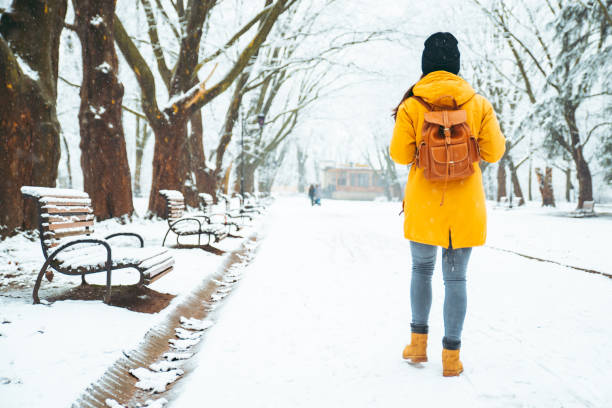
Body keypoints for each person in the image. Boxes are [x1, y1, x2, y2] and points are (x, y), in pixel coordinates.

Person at [390, 32, 505, 377]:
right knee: (456, 281)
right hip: (465, 207)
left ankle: (418, 345)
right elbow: (494, 152)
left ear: (426, 66)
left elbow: (399, 155)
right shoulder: (478, 103)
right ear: (456, 66)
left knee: (421, 272)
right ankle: (452, 358)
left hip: (425, 205)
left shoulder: (412, 105)